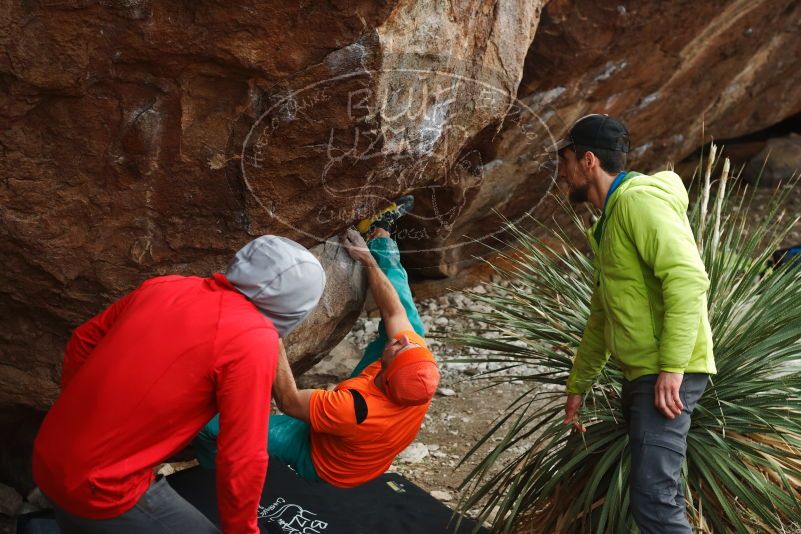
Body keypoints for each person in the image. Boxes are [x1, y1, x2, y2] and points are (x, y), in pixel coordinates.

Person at [32, 236, 325, 534]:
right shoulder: (253, 339)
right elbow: (242, 454)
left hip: (49, 450)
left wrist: (84, 417)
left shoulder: (167, 286)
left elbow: (83, 340)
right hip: (102, 487)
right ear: (294, 308)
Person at [194, 197, 441, 488]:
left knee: (207, 428)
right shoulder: (418, 372)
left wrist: (271, 328)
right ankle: (380, 234)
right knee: (408, 320)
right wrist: (368, 260)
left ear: (387, 373)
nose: (399, 342)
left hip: (318, 457)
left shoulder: (351, 408)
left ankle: (214, 478)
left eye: (399, 349)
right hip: (357, 428)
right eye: (406, 346)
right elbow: (395, 311)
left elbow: (288, 400)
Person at [556, 114, 715, 533]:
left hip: (665, 373)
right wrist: (578, 386)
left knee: (653, 499)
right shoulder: (610, 220)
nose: (561, 171)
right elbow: (601, 316)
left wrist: (672, 368)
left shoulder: (637, 203)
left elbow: (688, 279)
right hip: (647, 372)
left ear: (588, 161)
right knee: (657, 493)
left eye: (566, 160)